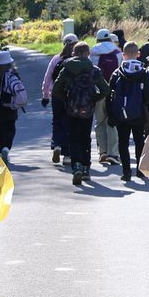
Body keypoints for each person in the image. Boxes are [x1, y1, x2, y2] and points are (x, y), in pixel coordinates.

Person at [54, 41, 110, 186]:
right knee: (85, 138)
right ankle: (86, 168)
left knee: (73, 138)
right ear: (88, 54)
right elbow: (106, 89)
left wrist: (66, 99)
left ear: (74, 53)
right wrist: (94, 99)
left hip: (71, 109)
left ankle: (76, 166)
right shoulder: (94, 70)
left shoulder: (67, 69)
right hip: (88, 109)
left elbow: (56, 89)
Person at [107, 42, 149, 181]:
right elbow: (147, 95)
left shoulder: (117, 72)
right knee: (139, 141)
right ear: (138, 54)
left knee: (123, 143)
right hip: (138, 113)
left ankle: (126, 172)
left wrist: (111, 114)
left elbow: (109, 95)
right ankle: (140, 170)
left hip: (121, 114)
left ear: (123, 54)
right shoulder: (143, 72)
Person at [42, 33, 78, 165]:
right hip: (73, 96)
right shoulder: (78, 60)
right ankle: (67, 155)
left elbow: (47, 78)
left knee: (57, 121)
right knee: (70, 123)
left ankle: (57, 145)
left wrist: (45, 95)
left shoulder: (56, 59)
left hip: (56, 95)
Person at [90, 28, 123, 166]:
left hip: (98, 92)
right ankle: (113, 153)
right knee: (112, 121)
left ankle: (102, 151)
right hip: (114, 91)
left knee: (99, 121)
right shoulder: (117, 52)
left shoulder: (93, 52)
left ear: (97, 39)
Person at [0, 49, 24, 163]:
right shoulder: (13, 74)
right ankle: (6, 148)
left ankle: (1, 149)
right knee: (10, 127)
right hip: (9, 104)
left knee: (2, 128)